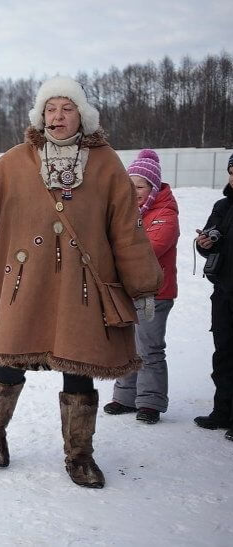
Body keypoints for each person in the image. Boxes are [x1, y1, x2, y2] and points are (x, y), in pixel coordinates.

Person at [0, 76, 162, 488]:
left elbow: (127, 229)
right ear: (40, 116)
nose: (57, 116)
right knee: (11, 362)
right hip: (24, 284)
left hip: (80, 289)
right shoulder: (17, 159)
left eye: (66, 109)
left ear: (81, 115)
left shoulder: (106, 164)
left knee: (79, 368)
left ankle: (80, 455)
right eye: (50, 109)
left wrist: (142, 285)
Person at [103, 150, 179, 424]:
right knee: (127, 346)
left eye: (140, 186)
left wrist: (115, 251)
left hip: (155, 292)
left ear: (153, 187)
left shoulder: (165, 214)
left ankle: (150, 401)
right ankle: (125, 396)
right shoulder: (126, 212)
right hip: (128, 289)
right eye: (130, 185)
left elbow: (153, 248)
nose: (134, 191)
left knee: (149, 347)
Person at [193, 152, 233, 441]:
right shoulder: (222, 205)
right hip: (223, 292)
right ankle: (223, 411)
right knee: (223, 353)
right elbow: (208, 242)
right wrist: (203, 242)